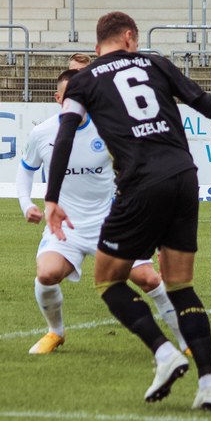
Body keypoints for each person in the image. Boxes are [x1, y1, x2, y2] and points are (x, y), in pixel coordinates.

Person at [45, 11, 211, 409]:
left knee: (108, 280)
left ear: (98, 45)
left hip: (140, 183)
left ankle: (165, 353)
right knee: (181, 285)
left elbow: (65, 133)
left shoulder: (83, 79)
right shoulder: (155, 63)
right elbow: (206, 105)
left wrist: (52, 197)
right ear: (129, 37)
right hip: (184, 177)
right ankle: (209, 383)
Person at [18, 69, 187, 356]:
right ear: (58, 98)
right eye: (70, 96)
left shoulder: (111, 128)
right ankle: (55, 332)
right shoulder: (42, 133)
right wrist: (27, 204)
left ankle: (186, 342)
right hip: (67, 226)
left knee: (147, 279)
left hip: (113, 223)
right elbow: (25, 170)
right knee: (46, 274)